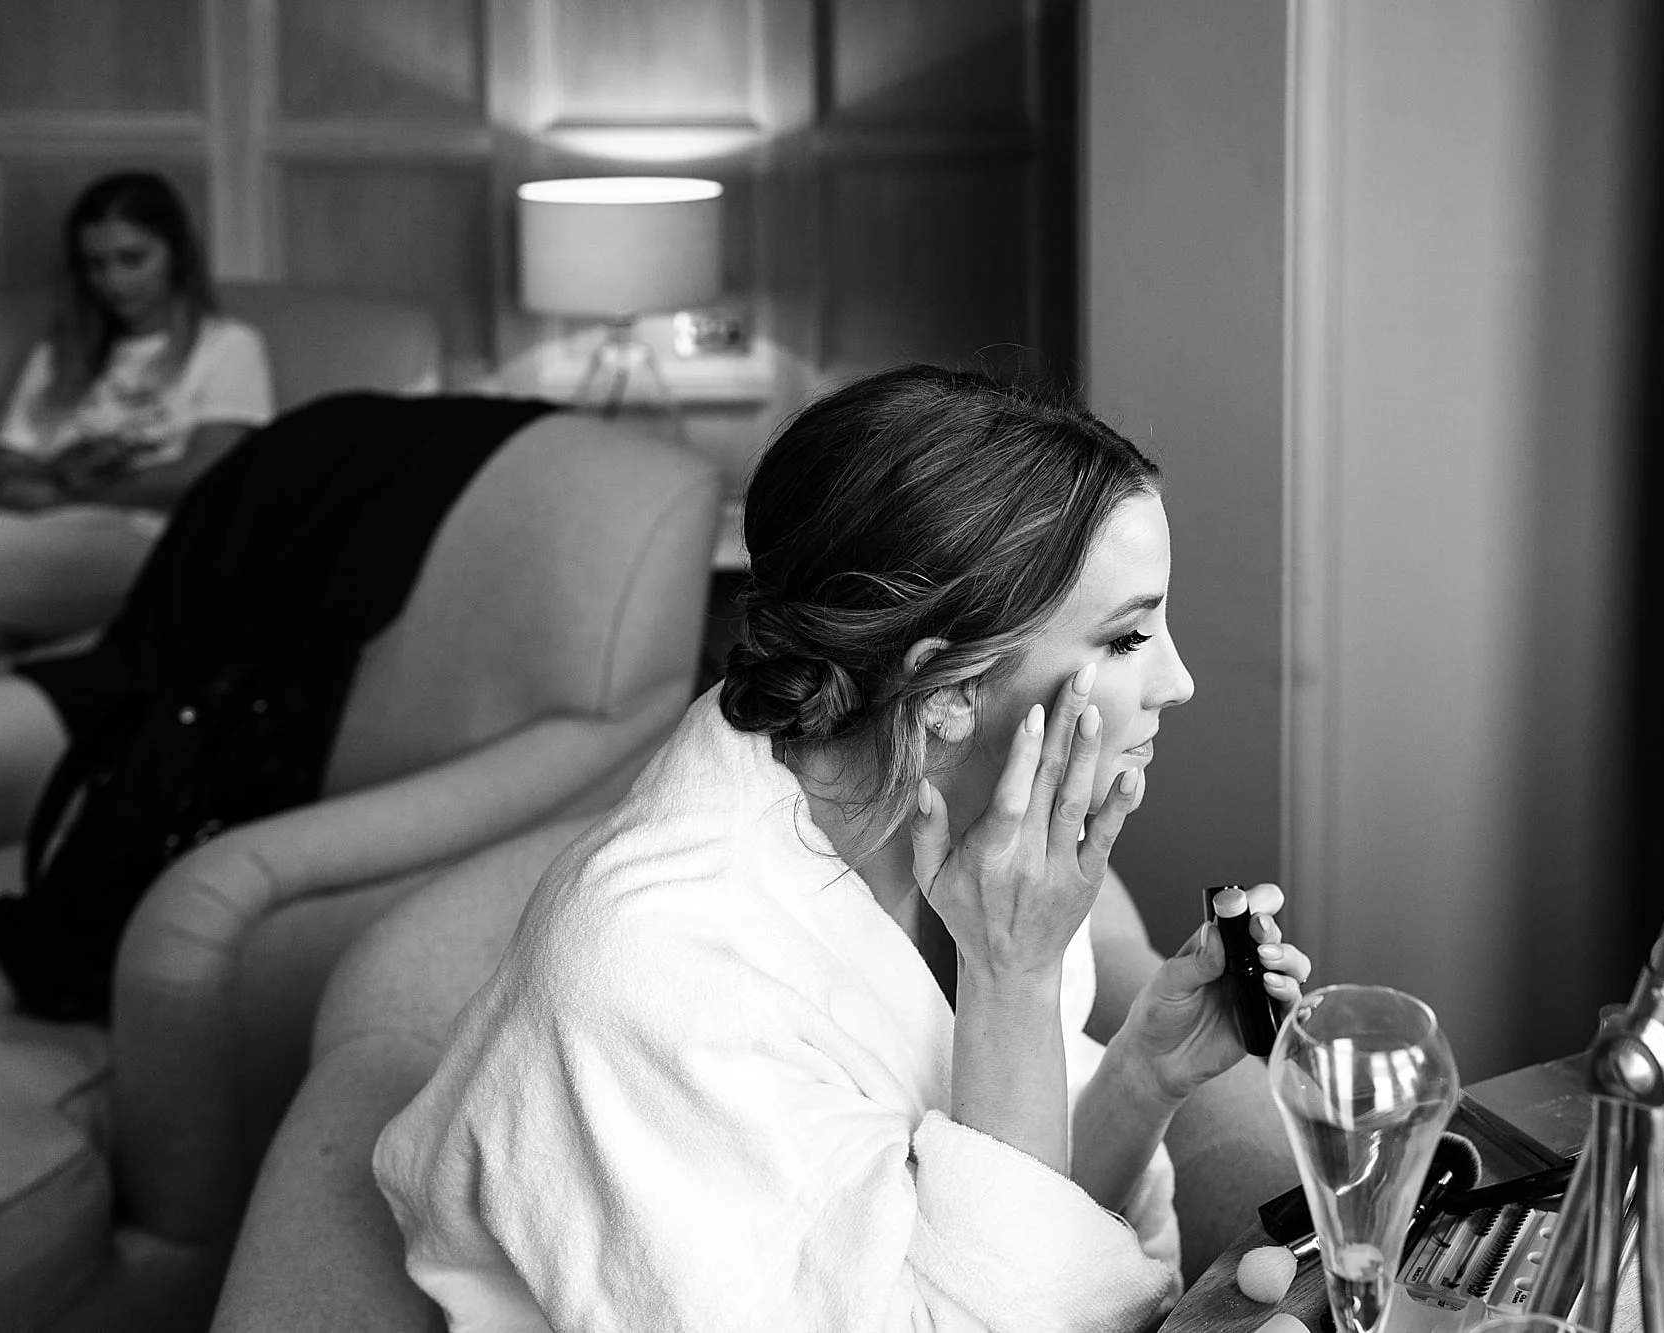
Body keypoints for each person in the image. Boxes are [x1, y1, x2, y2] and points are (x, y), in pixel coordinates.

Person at [374, 365, 1312, 1332]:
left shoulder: (991, 840)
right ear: (943, 687)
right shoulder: (657, 980)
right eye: (1126, 638)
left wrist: (1140, 1074)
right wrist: (1012, 974)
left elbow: (1008, 1222)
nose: (1180, 681)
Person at [0, 170, 273, 653]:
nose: (113, 281)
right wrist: (49, 485)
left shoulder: (227, 345)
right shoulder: (58, 356)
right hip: (31, 534)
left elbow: (203, 474)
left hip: (145, 540)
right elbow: (4, 469)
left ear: (175, 254)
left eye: (132, 259)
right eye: (95, 265)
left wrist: (69, 490)